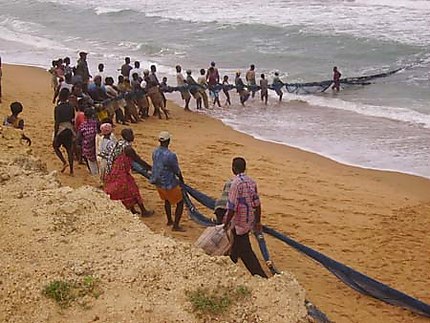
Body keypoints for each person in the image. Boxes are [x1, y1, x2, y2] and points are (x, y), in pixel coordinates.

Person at [223, 157, 267, 278]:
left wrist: (225, 222)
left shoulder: (235, 184)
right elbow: (257, 204)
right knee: (236, 247)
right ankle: (230, 265)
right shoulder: (251, 182)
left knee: (246, 252)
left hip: (238, 223)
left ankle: (261, 276)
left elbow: (232, 207)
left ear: (233, 168)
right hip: (248, 221)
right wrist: (258, 221)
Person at [104, 128, 153, 216]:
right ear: (127, 136)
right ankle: (144, 211)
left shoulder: (120, 143)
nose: (133, 136)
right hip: (120, 173)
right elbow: (138, 160)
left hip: (113, 171)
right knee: (133, 189)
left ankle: (132, 209)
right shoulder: (128, 149)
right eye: (131, 134)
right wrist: (150, 168)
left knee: (127, 191)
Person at [150, 131, 185, 232]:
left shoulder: (155, 152)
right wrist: (182, 180)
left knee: (167, 200)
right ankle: (176, 225)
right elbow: (176, 170)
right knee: (180, 202)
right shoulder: (171, 155)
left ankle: (169, 220)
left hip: (158, 181)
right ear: (169, 141)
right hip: (168, 182)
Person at [53, 88, 75, 175]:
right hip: (69, 128)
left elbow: (57, 122)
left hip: (61, 129)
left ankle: (64, 162)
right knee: (69, 150)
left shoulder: (57, 108)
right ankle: (72, 170)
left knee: (55, 146)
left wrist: (55, 134)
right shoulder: (71, 107)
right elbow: (72, 118)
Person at [78, 108, 99, 175]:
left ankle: (94, 173)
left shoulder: (82, 125)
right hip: (97, 146)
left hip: (88, 148)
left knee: (91, 163)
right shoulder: (96, 123)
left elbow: (79, 137)